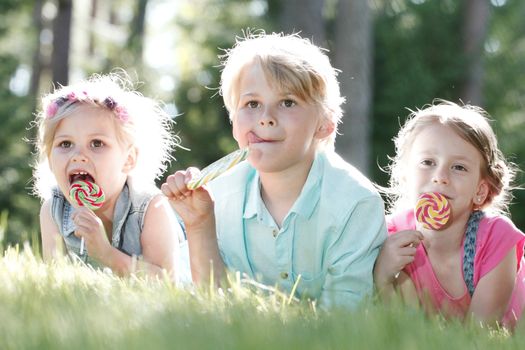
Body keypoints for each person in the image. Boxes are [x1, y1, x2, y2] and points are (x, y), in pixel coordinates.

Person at [161, 31, 387, 308]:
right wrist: (199, 227)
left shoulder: (356, 204)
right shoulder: (216, 197)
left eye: (288, 102)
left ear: (325, 123)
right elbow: (210, 307)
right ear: (233, 121)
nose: (266, 118)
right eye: (252, 104)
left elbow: (343, 316)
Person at [373, 100, 524, 329]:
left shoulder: (496, 238)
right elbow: (402, 331)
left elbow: (479, 335)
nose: (440, 176)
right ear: (404, 176)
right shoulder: (388, 236)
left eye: (459, 167)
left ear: (480, 191)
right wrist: (383, 277)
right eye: (427, 162)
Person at [33, 72, 184, 279]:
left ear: (128, 159)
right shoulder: (53, 210)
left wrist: (106, 254)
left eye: (97, 143)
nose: (78, 156)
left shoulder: (151, 208)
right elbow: (55, 281)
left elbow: (168, 281)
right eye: (65, 144)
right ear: (50, 159)